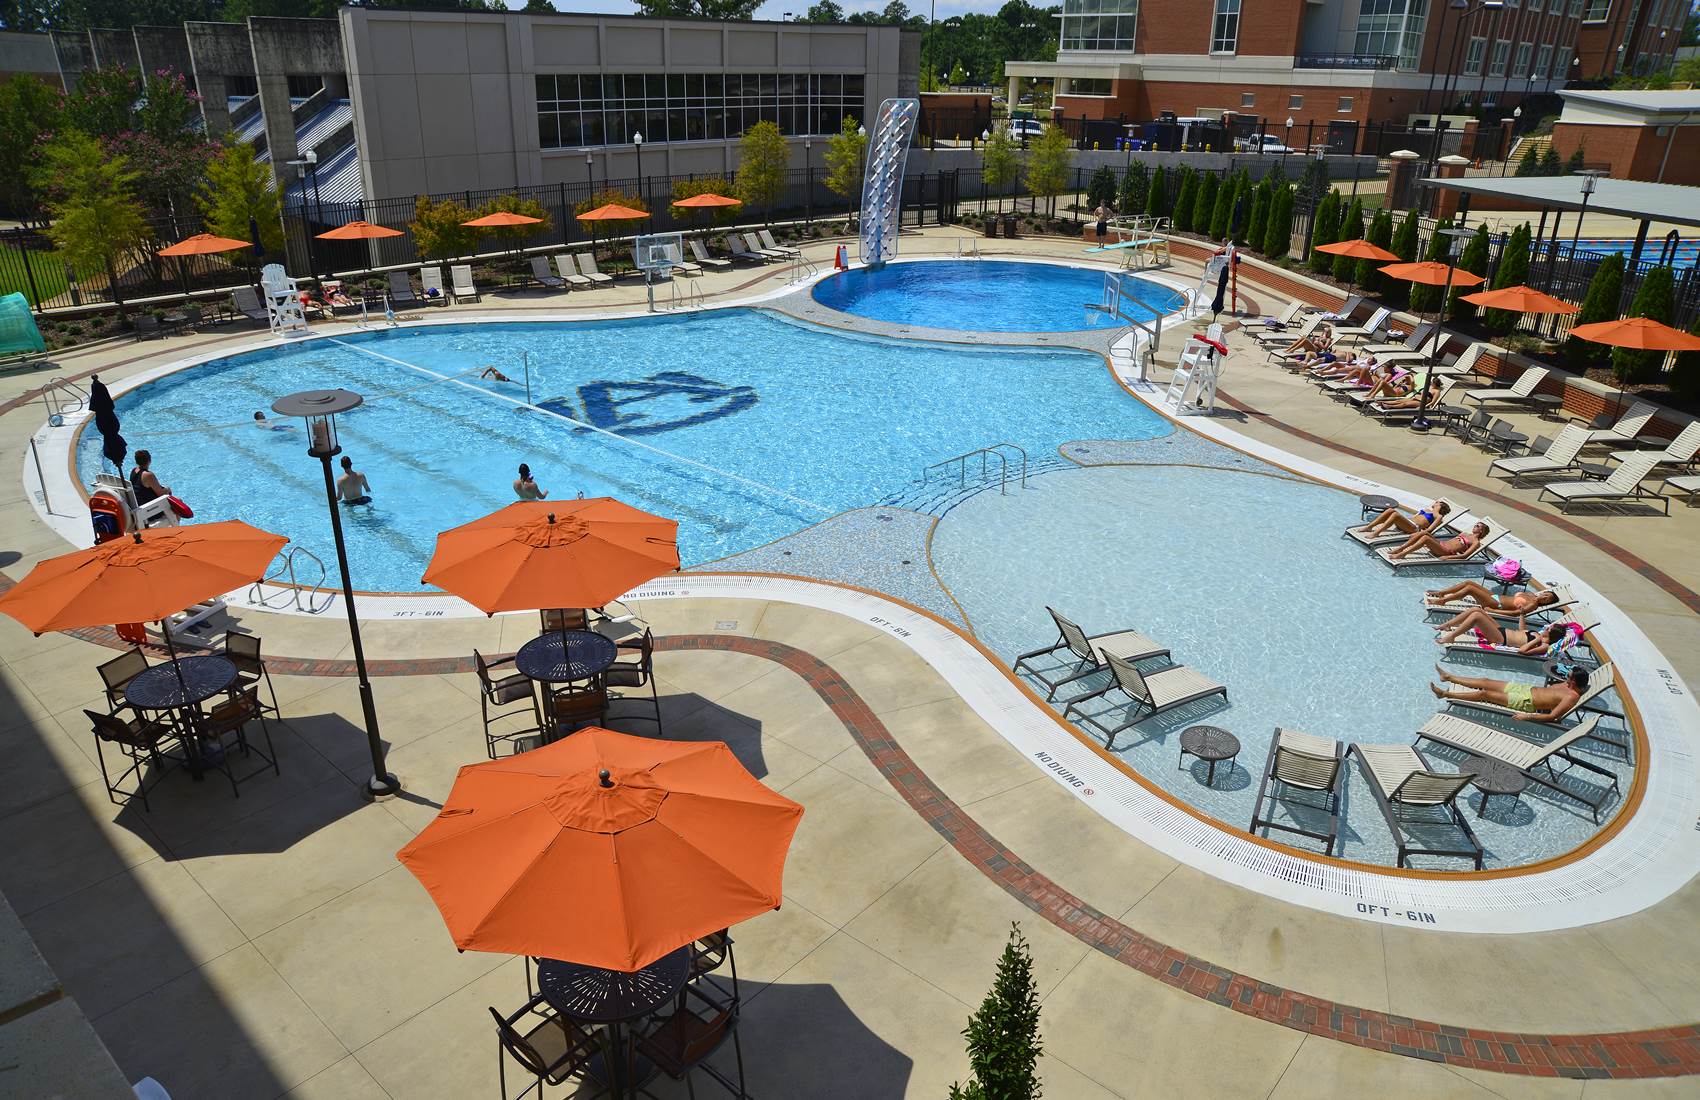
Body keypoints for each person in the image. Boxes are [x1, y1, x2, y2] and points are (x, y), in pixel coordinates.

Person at [1431, 665, 1588, 722]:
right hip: (1525, 689)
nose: (1565, 676)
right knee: (1485, 681)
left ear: (1573, 682)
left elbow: (1552, 716)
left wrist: (1527, 716)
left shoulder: (1571, 696)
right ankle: (1448, 677)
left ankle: (1445, 694)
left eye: (1568, 675)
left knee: (1485, 694)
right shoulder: (1569, 685)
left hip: (1525, 702)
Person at [1436, 609, 1572, 654]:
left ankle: (1451, 637)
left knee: (1476, 617)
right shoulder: (1538, 634)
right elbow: (1521, 631)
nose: (1546, 628)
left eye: (1549, 629)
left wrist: (1537, 640)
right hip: (1501, 630)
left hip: (1500, 639)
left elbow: (1522, 650)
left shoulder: (1543, 646)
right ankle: (1448, 625)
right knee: (1477, 610)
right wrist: (1522, 615)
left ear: (1552, 634)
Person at [1425, 581, 1561, 614]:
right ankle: (1443, 592)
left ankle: (1443, 601)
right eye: (1546, 594)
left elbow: (1514, 614)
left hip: (1496, 604)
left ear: (1546, 603)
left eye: (1547, 599)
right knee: (1469, 583)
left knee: (1470, 589)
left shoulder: (1533, 605)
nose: (1544, 597)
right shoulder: (1531, 595)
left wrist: (1494, 611)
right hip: (1494, 596)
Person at [1388, 521, 1489, 561]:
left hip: (1445, 551)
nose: (1474, 526)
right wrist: (1434, 544)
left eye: (1477, 526)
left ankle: (1402, 554)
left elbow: (1465, 556)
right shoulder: (1465, 534)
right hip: (1440, 545)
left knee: (1426, 538)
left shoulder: (1476, 543)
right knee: (1424, 533)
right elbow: (1451, 541)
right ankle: (1400, 548)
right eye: (1475, 524)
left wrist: (1447, 557)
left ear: (1481, 531)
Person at [1362, 499, 1449, 538]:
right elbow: (1414, 517)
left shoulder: (1438, 516)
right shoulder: (1426, 510)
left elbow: (1429, 530)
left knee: (1395, 514)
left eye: (1437, 502)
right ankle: (1369, 527)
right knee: (1391, 510)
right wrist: (1403, 520)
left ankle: (1376, 533)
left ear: (1440, 506)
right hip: (1408, 523)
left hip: (1413, 528)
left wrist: (1436, 510)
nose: (1435, 502)